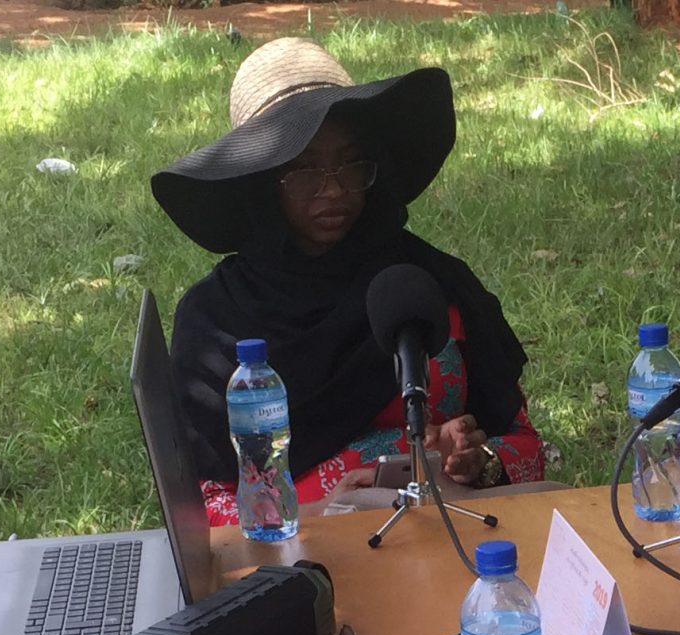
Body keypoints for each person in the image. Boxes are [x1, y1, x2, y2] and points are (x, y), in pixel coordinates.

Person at [153, 38, 546, 522]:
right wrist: (323, 510)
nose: (334, 188)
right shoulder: (216, 323)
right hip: (307, 566)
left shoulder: (425, 283)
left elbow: (527, 446)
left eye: (350, 163)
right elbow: (203, 509)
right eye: (305, 171)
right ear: (260, 183)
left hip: (459, 539)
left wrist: (477, 464)